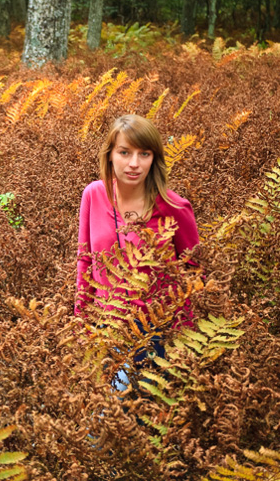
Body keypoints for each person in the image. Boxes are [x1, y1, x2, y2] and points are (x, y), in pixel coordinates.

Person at [75, 114, 200, 389]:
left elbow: (194, 274)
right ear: (110, 155)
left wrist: (183, 341)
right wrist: (81, 323)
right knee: (101, 421)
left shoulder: (175, 207)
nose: (134, 163)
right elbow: (85, 261)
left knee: (142, 423)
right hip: (106, 329)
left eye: (144, 154)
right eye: (124, 152)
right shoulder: (93, 195)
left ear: (154, 158)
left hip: (157, 334)